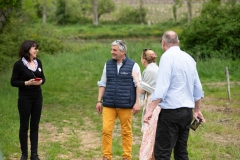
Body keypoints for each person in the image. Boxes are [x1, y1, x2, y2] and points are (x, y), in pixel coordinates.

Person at [143, 31, 205, 160]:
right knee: (181, 151)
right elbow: (197, 87)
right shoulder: (189, 58)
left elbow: (162, 87)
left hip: (170, 113)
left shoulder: (167, 57)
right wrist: (197, 110)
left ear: (163, 43)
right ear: (178, 42)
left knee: (162, 153)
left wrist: (150, 110)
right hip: (187, 112)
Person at [95, 40, 141, 160]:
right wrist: (99, 101)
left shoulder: (133, 65)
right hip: (109, 104)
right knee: (106, 130)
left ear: (123, 51)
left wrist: (137, 103)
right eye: (112, 49)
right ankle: (106, 156)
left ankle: (126, 156)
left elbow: (138, 85)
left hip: (126, 104)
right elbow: (103, 83)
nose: (112, 52)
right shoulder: (108, 64)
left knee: (126, 132)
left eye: (114, 50)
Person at [10, 40, 46, 160]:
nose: (37, 50)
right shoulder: (19, 65)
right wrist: (26, 83)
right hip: (25, 99)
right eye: (34, 48)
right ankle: (24, 154)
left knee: (35, 126)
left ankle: (34, 154)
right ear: (27, 49)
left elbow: (43, 78)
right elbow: (13, 82)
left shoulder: (38, 62)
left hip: (37, 98)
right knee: (24, 126)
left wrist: (41, 81)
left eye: (37, 48)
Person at [132, 49, 160, 160]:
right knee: (155, 136)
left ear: (144, 60)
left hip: (153, 103)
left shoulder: (149, 71)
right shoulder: (158, 68)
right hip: (159, 103)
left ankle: (147, 157)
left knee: (150, 135)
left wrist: (136, 78)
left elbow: (142, 90)